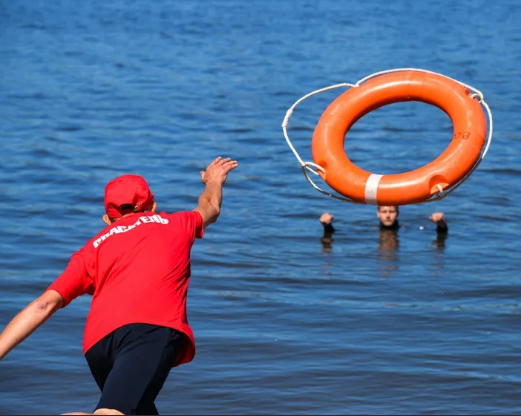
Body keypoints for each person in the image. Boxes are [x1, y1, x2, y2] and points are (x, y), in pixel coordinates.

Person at [0, 156, 238, 415]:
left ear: (106, 219)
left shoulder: (92, 248)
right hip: (148, 330)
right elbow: (211, 207)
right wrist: (213, 180)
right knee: (111, 412)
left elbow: (44, 304)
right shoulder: (175, 223)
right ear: (153, 206)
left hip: (98, 345)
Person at [319, 206, 448, 248]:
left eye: (391, 212)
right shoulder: (371, 229)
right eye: (384, 212)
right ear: (378, 214)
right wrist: (327, 226)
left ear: (397, 214)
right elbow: (336, 233)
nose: (387, 216)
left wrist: (441, 224)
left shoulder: (405, 229)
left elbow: (440, 235)